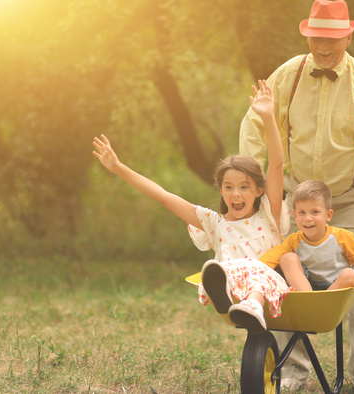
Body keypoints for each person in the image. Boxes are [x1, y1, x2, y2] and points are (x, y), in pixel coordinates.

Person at [239, 0, 354, 392]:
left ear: (348, 34)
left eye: (331, 37)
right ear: (307, 35)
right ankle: (294, 370)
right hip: (295, 194)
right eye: (316, 37)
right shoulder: (287, 76)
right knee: (280, 272)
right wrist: (251, 185)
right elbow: (256, 128)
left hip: (352, 196)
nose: (323, 46)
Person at [94, 80, 293, 329]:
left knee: (256, 269)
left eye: (244, 187)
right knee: (219, 269)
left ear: (259, 190)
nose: (236, 194)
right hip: (236, 288)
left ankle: (253, 304)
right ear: (220, 190)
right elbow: (163, 196)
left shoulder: (268, 214)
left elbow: (275, 165)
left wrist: (268, 118)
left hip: (268, 284)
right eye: (228, 187)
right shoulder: (214, 222)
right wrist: (118, 168)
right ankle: (227, 292)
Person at [227, 179, 354, 334]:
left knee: (351, 274)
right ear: (294, 215)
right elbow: (271, 258)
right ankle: (310, 304)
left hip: (332, 293)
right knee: (287, 258)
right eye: (302, 212)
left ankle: (317, 308)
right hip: (305, 288)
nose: (308, 218)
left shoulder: (342, 237)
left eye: (315, 212)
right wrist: (251, 271)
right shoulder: (294, 240)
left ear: (328, 215)